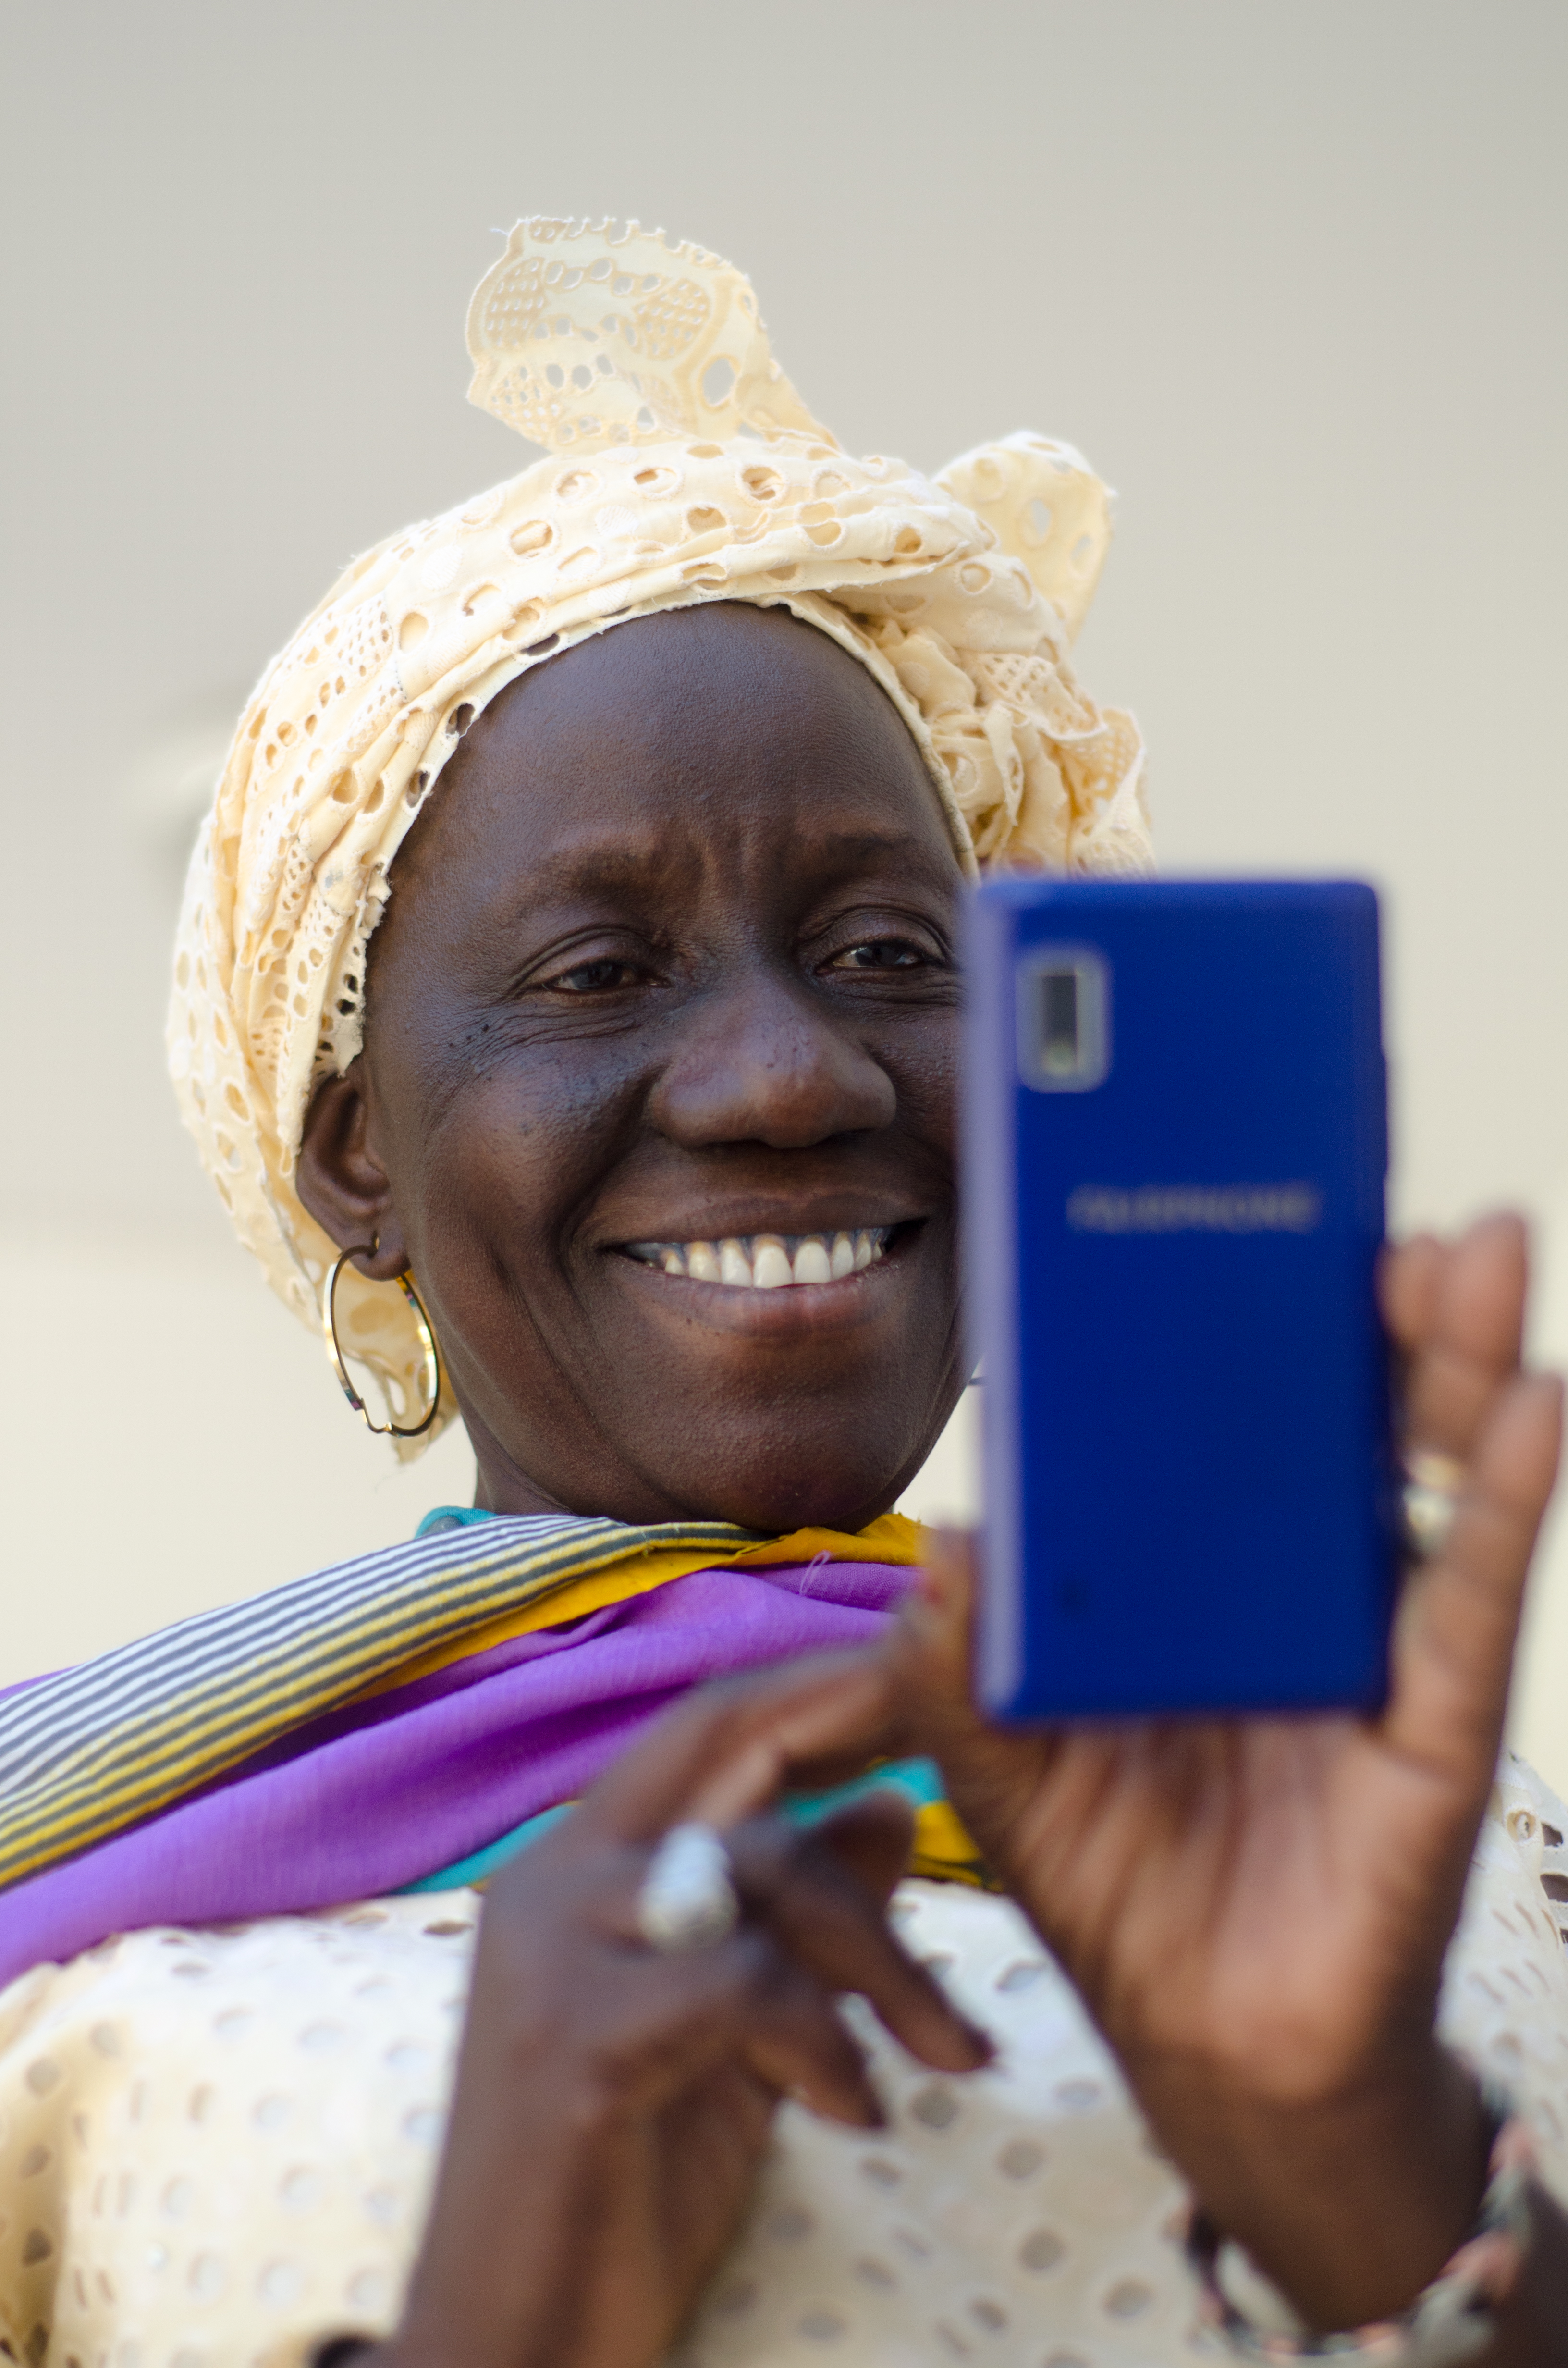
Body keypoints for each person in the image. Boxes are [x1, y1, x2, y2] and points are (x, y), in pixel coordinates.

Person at [0, 218, 1564, 2368]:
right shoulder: (74, 1920)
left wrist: (1367, 2156)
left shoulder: (1431, 1867)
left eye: (891, 955)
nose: (790, 1069)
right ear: (358, 1148)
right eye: (597, 971)